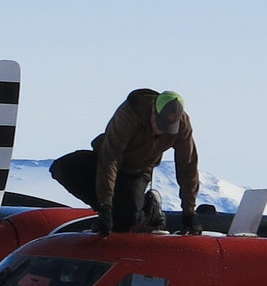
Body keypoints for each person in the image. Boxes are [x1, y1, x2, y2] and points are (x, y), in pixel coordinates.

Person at [49, 89, 202, 236]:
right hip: (105, 161)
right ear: (153, 110)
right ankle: (112, 213)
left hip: (137, 170)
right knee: (62, 168)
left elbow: (187, 166)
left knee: (126, 222)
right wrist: (105, 206)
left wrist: (189, 213)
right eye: (159, 124)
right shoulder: (130, 114)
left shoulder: (183, 125)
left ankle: (148, 212)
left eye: (167, 128)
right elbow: (111, 158)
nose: (161, 131)